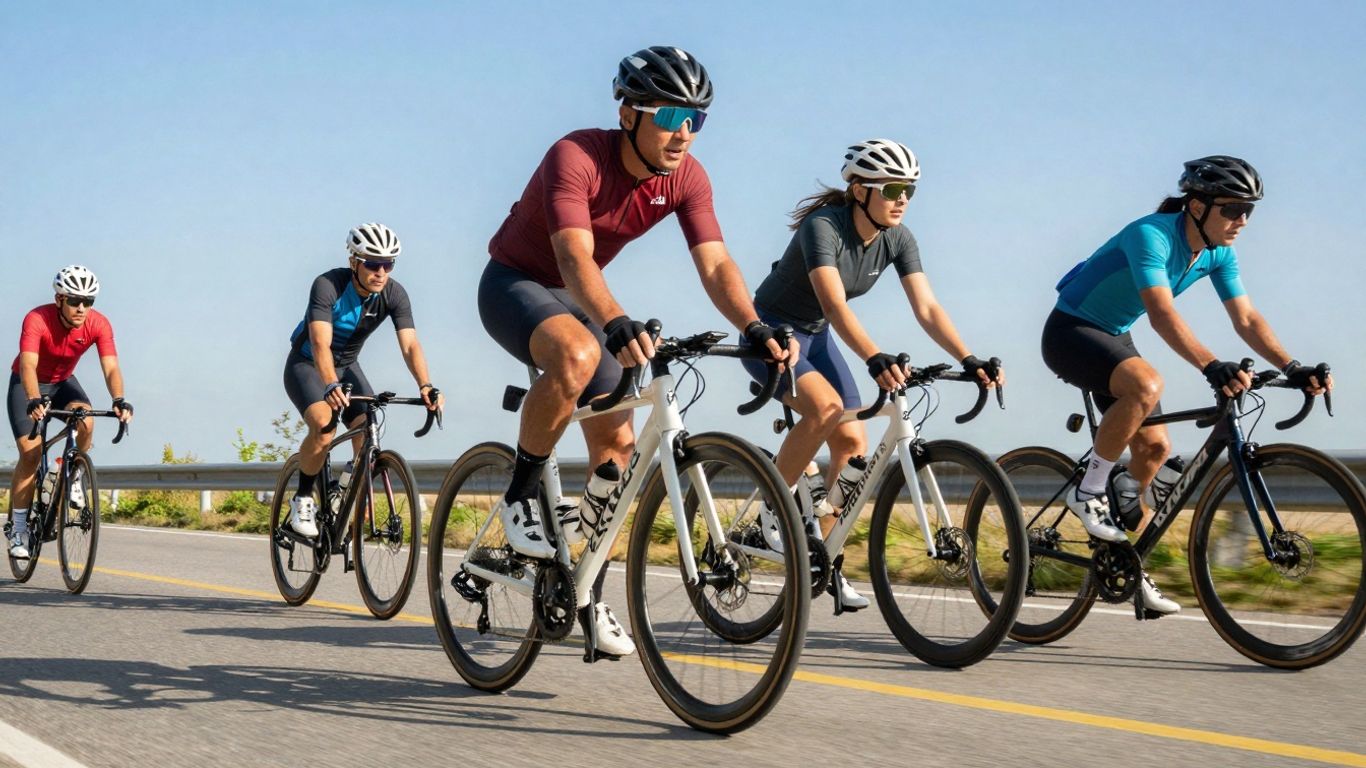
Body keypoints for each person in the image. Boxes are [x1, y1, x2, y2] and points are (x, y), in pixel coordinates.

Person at [478, 45, 794, 657]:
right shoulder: (576, 155)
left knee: (617, 452)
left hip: (583, 297)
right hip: (516, 282)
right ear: (629, 114)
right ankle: (520, 498)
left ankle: (581, 589)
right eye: (672, 117)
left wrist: (754, 325)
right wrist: (616, 320)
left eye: (696, 120)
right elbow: (572, 255)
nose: (685, 135)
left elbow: (715, 263)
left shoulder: (687, 178)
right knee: (575, 357)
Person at [1042, 155, 1331, 615]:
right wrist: (1210, 365)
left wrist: (1292, 365)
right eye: (1232, 209)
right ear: (1196, 205)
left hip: (1115, 336)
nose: (1241, 221)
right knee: (1147, 384)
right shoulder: (1151, 235)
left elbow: (1247, 318)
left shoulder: (1219, 253)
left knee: (1154, 451)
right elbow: (1161, 313)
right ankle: (1088, 490)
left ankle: (1130, 568)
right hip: (1071, 332)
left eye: (1248, 211)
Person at [741, 139, 1003, 610]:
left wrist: (968, 358)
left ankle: (820, 558)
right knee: (825, 408)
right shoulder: (823, 227)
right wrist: (873, 356)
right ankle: (770, 514)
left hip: (817, 337)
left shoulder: (899, 238)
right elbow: (833, 303)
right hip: (773, 335)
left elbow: (927, 307)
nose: (903, 199)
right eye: (893, 188)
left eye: (911, 191)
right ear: (860, 190)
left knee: (852, 447)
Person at [283, 223, 443, 538]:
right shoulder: (327, 285)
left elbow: (410, 345)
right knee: (324, 426)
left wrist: (425, 384)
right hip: (307, 365)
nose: (381, 271)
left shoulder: (395, 294)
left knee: (369, 428)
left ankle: (344, 490)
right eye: (372, 263)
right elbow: (320, 344)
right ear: (354, 261)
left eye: (389, 264)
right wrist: (329, 384)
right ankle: (302, 499)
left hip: (348, 366)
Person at [7, 266, 133, 559]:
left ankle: (70, 471)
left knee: (86, 418)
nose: (81, 308)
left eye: (88, 302)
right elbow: (27, 365)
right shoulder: (37, 318)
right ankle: (20, 528)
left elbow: (111, 367)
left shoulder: (99, 324)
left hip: (63, 382)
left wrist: (119, 398)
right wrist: (33, 398)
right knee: (30, 453)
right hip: (28, 383)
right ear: (59, 299)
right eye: (75, 300)